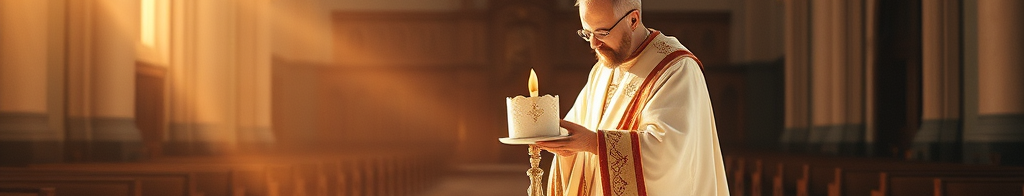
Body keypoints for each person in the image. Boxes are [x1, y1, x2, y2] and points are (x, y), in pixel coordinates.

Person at [534, 0, 730, 195]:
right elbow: (574, 129)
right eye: (587, 33)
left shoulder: (676, 69)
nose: (594, 44)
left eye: (602, 32)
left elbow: (668, 154)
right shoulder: (602, 70)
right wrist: (555, 138)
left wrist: (594, 143)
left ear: (633, 20)